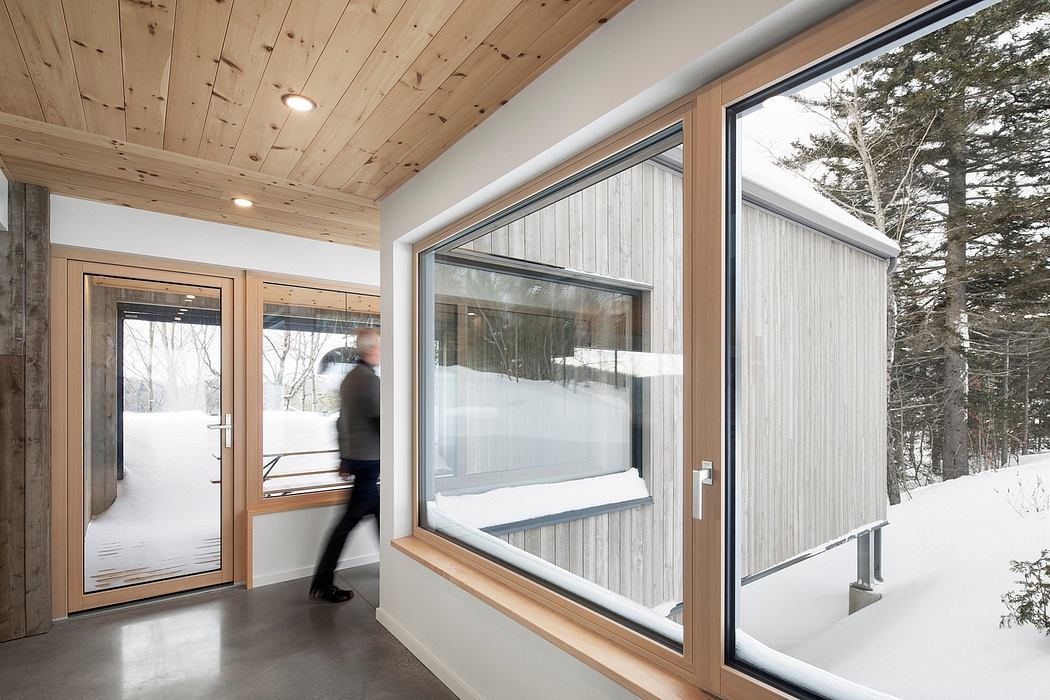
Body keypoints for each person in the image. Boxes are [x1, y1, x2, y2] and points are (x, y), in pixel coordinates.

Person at [310, 327, 380, 603]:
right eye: (379, 348)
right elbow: (381, 421)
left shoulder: (350, 379)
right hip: (368, 462)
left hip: (358, 460)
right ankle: (322, 583)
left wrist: (343, 458)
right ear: (370, 350)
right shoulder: (368, 381)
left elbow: (341, 422)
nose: (381, 352)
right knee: (346, 524)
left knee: (379, 512)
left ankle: (397, 564)